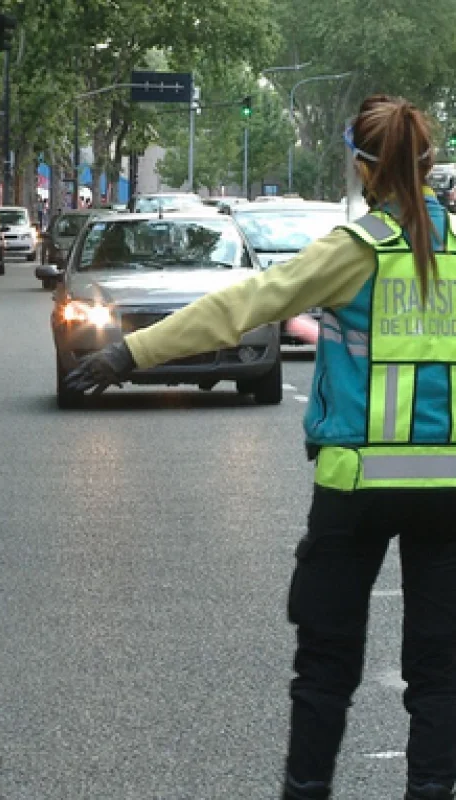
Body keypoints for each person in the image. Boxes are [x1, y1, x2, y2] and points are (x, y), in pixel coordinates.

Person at [64, 95, 456, 800]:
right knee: (443, 671)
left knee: (326, 668)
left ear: (366, 169)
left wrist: (128, 353)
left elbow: (240, 306)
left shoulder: (354, 249)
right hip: (450, 495)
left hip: (355, 488)